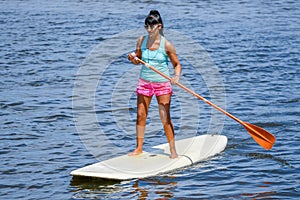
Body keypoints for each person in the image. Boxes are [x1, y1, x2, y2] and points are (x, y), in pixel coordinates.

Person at [128, 10, 181, 159]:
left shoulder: (167, 45)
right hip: (144, 82)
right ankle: (138, 148)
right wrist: (132, 58)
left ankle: (173, 150)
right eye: (147, 27)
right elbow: (137, 60)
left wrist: (176, 76)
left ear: (159, 26)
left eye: (152, 27)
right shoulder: (141, 41)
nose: (149, 30)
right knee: (140, 115)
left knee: (165, 118)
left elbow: (177, 65)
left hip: (162, 84)